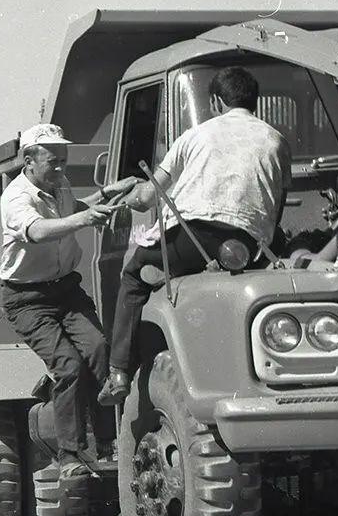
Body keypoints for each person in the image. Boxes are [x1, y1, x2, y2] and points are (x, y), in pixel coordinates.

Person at [98, 66, 292, 404]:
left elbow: (146, 198)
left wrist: (128, 192)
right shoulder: (276, 140)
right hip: (246, 245)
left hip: (189, 240)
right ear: (254, 102)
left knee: (132, 275)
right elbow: (278, 205)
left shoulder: (196, 135)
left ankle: (118, 372)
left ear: (216, 102)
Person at [0, 122, 139, 477]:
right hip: (27, 300)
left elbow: (75, 206)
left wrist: (108, 194)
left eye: (63, 160)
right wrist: (84, 219)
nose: (61, 168)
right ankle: (69, 456)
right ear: (28, 160)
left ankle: (106, 444)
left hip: (66, 290)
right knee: (68, 366)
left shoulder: (57, 185)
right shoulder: (16, 198)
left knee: (99, 350)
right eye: (53, 161)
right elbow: (38, 231)